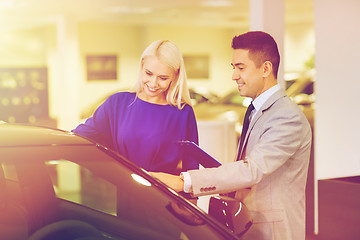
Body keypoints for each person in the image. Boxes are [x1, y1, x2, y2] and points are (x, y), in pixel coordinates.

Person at [151, 31, 312, 240]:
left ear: (265, 68)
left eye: (241, 68)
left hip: (274, 232)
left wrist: (184, 182)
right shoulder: (257, 111)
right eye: (233, 68)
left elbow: (252, 170)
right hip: (250, 226)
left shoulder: (287, 117)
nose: (234, 75)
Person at [73, 40, 199, 175]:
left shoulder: (183, 113)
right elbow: (79, 136)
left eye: (162, 78)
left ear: (175, 76)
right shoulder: (117, 103)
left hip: (163, 194)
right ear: (142, 66)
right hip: (124, 190)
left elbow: (191, 170)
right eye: (149, 74)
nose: (153, 83)